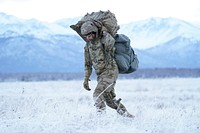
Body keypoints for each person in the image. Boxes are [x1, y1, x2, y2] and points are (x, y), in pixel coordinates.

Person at [81, 20, 134, 118]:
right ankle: (129, 117)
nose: (87, 37)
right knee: (111, 102)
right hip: (101, 75)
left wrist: (105, 32)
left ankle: (101, 120)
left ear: (94, 32)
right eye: (85, 35)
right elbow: (87, 64)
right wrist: (86, 79)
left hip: (110, 71)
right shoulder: (87, 47)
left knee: (97, 94)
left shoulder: (104, 39)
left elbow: (110, 44)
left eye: (89, 34)